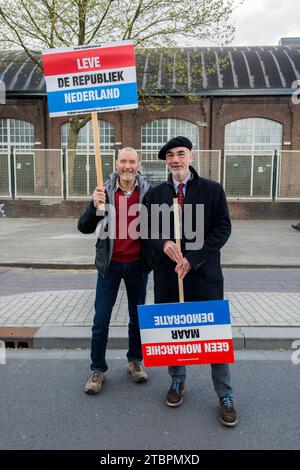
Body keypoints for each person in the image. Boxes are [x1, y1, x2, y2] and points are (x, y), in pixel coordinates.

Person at [145, 136, 238, 427]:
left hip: (205, 276)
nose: (175, 160)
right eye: (170, 156)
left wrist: (194, 257)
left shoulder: (211, 190)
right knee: (174, 332)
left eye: (181, 154)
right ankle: (177, 381)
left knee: (214, 338)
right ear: (165, 161)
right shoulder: (156, 194)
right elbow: (145, 228)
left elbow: (223, 228)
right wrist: (162, 244)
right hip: (169, 277)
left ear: (191, 156)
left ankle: (225, 394)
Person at [78, 147, 151, 394]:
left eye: (132, 162)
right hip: (109, 266)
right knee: (101, 320)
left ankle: (134, 361)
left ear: (138, 165)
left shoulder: (149, 192)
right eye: (123, 161)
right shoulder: (105, 191)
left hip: (138, 267)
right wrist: (93, 204)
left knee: (137, 318)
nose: (127, 166)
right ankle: (97, 369)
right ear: (116, 164)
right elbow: (84, 227)